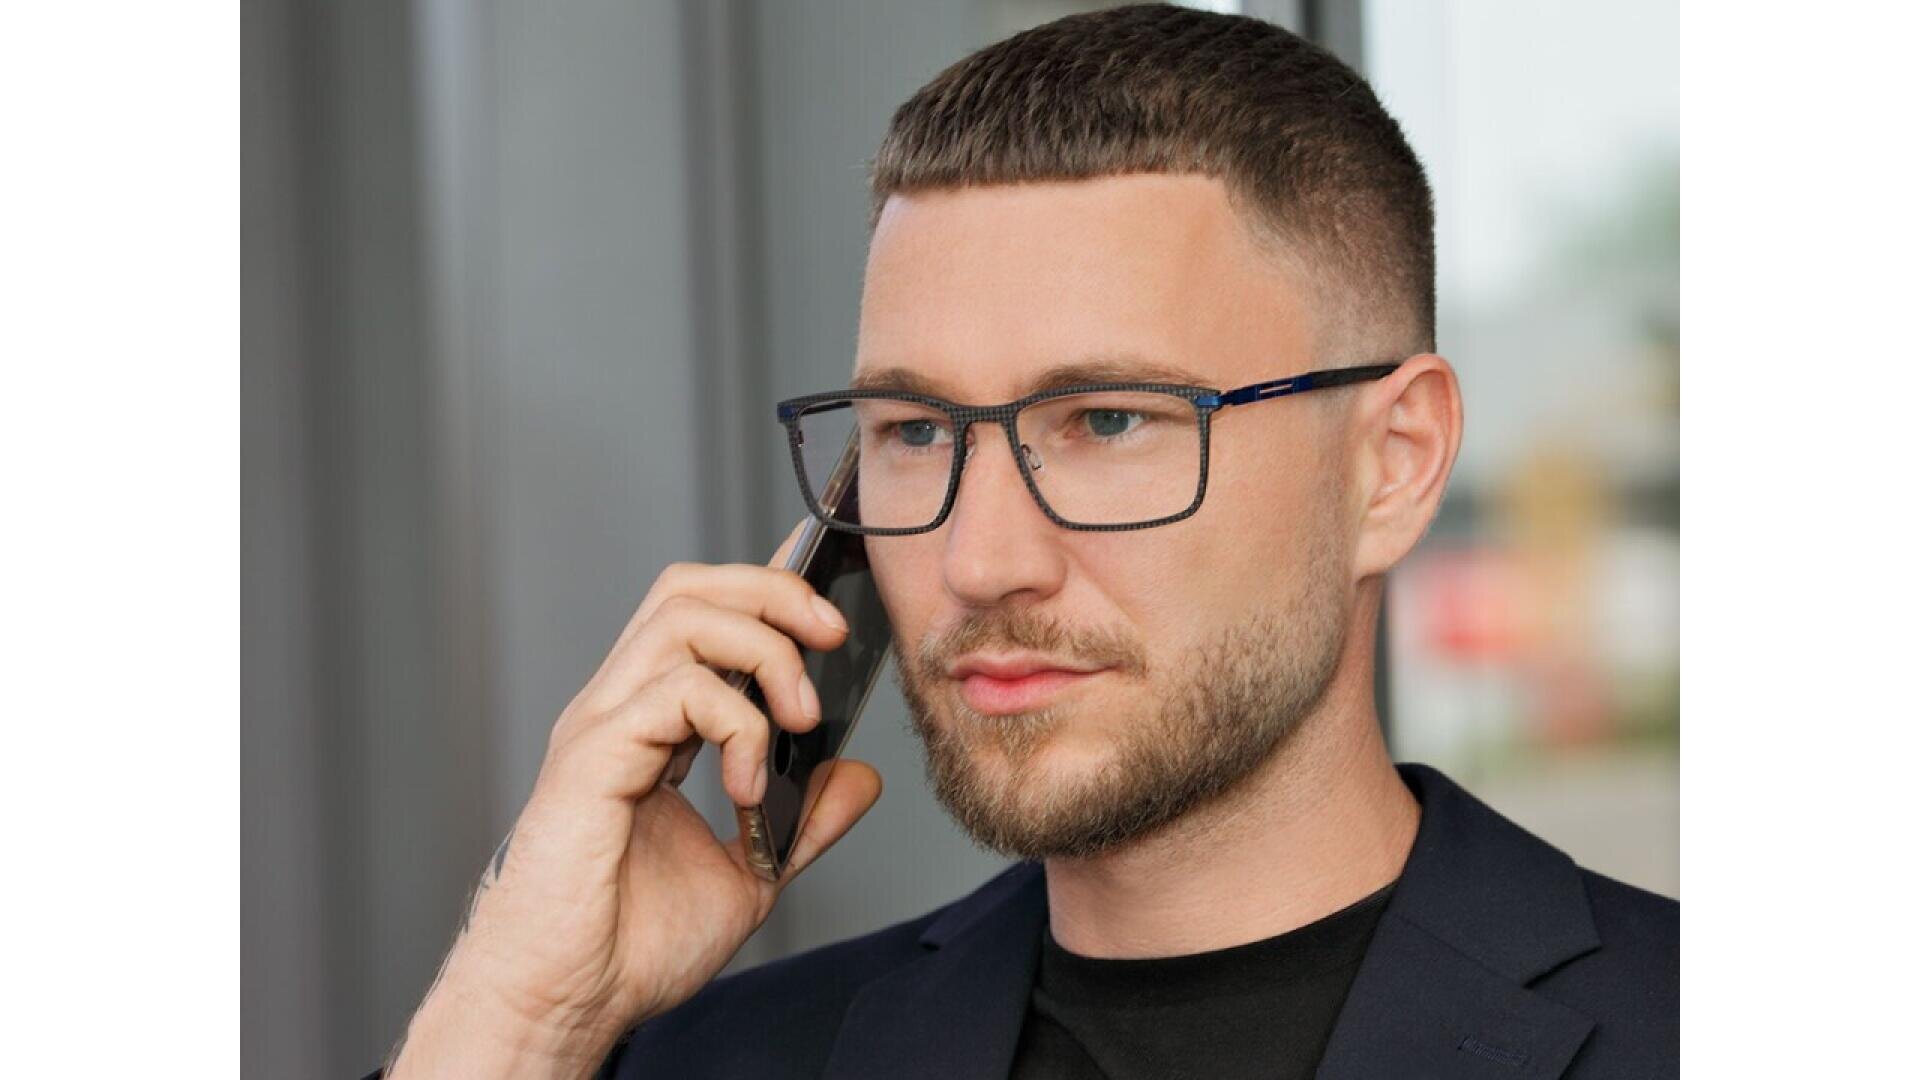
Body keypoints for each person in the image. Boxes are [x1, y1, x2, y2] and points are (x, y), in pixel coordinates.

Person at [379, 5, 1678, 1077]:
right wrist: (518, 1013)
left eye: (1108, 420)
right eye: (917, 430)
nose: (982, 561)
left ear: (1392, 465)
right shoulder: (718, 1058)